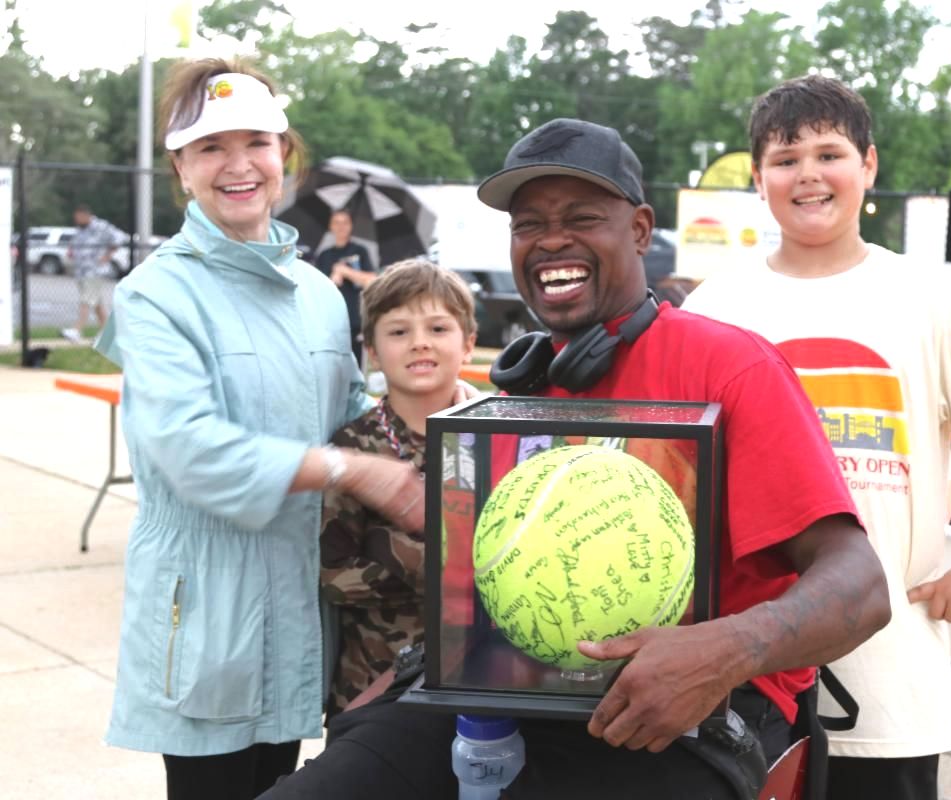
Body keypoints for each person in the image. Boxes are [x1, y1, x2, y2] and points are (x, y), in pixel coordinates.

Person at [262, 118, 892, 800]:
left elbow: (860, 586)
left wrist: (723, 651)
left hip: (686, 715)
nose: (551, 239)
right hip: (515, 693)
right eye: (528, 224)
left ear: (641, 231)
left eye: (582, 218)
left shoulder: (731, 367)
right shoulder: (524, 394)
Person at [682, 75, 951, 800]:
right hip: (746, 663)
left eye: (830, 154)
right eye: (786, 159)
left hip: (890, 668)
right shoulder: (715, 305)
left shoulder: (925, 297)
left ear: (869, 165)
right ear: (757, 178)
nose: (808, 174)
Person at [93, 57, 433, 800]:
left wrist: (435, 406)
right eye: (211, 147)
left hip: (300, 610)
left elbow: (353, 420)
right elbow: (189, 449)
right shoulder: (155, 295)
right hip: (209, 613)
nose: (238, 164)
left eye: (256, 142)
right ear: (182, 168)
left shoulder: (316, 294)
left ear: (285, 155)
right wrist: (352, 471)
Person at [320, 259, 477, 719]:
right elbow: (331, 577)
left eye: (438, 328)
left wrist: (386, 546)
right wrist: (430, 566)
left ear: (468, 344)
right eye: (399, 331)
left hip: (476, 678)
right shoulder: (352, 448)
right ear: (371, 351)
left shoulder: (492, 437)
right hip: (373, 686)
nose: (420, 342)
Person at [315, 209, 377, 365]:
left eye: (345, 222)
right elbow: (316, 290)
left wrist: (346, 271)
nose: (341, 226)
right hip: (330, 321)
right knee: (331, 365)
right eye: (336, 222)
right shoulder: (324, 255)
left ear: (350, 226)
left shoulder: (359, 251)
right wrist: (332, 281)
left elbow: (372, 280)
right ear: (331, 226)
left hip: (355, 320)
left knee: (354, 365)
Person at [61, 204, 123, 343]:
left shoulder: (100, 226)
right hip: (81, 270)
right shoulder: (80, 230)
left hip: (94, 271)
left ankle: (77, 330)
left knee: (86, 299)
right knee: (96, 304)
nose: (76, 220)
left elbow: (119, 237)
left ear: (86, 215)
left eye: (78, 217)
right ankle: (107, 333)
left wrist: (107, 256)